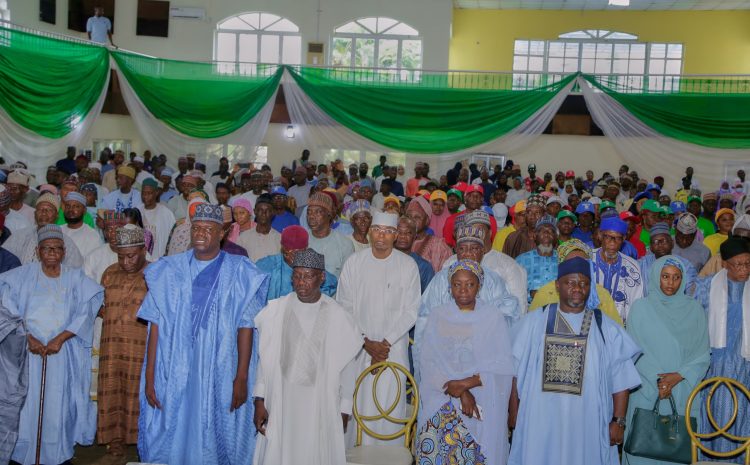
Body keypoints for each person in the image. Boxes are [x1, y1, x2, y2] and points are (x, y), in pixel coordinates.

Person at [137, 204, 269, 464]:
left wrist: (242, 377)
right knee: (174, 424)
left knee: (215, 427)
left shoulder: (239, 270)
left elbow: (246, 327)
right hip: (174, 365)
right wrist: (150, 375)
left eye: (209, 229)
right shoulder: (169, 270)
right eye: (196, 228)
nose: (200, 234)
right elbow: (155, 325)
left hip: (220, 366)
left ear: (222, 233)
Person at [508, 256, 641, 465]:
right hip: (539, 421)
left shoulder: (604, 326)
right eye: (570, 282)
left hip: (587, 422)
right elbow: (514, 370)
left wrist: (618, 421)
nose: (577, 288)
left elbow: (621, 378)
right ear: (557, 285)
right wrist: (513, 411)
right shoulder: (535, 321)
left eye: (583, 283)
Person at [1, 225, 103, 465]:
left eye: (57, 249)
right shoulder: (20, 276)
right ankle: (23, 455)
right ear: (38, 251)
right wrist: (28, 337)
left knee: (58, 405)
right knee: (27, 405)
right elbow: (6, 308)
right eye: (47, 249)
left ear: (63, 252)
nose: (52, 253)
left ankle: (56, 456)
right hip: (27, 353)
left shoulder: (75, 278)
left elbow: (87, 308)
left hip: (61, 354)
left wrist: (60, 338)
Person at [252, 248, 362, 465]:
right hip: (282, 402)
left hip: (321, 404)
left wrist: (344, 407)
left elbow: (349, 367)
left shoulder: (339, 316)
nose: (301, 282)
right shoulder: (276, 310)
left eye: (308, 276)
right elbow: (265, 359)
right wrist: (260, 399)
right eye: (297, 275)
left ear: (321, 277)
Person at [416, 259, 514, 465]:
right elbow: (428, 362)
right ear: (449, 287)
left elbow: (502, 365)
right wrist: (461, 392)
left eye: (470, 284)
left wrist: (464, 385)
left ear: (479, 286)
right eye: (457, 284)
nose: (463, 290)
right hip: (443, 396)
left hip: (482, 397)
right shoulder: (438, 316)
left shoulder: (493, 318)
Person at [336, 211, 421, 445]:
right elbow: (344, 306)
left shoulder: (407, 265)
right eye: (377, 230)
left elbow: (412, 310)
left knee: (388, 407)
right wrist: (366, 343)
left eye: (388, 231)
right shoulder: (354, 263)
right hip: (359, 348)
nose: (381, 236)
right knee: (358, 406)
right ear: (370, 232)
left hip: (393, 350)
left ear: (395, 236)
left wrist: (384, 344)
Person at [624, 256, 710, 465]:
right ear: (655, 277)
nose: (671, 283)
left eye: (676, 277)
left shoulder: (695, 310)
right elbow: (635, 351)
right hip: (647, 390)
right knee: (642, 449)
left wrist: (678, 376)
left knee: (676, 452)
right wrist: (661, 381)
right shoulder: (640, 308)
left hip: (682, 390)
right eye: (665, 276)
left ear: (683, 280)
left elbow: (703, 354)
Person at [416, 225, 520, 379]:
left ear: (483, 251)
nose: (468, 254)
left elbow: (507, 317)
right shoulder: (440, 280)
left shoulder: (494, 281)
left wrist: (476, 329)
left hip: (483, 360)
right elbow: (425, 319)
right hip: (445, 358)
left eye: (474, 249)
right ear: (455, 251)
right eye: (462, 249)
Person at [96, 224, 150, 462]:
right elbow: (99, 303)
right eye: (121, 256)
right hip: (112, 346)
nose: (126, 262)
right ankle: (115, 441)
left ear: (143, 249)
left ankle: (142, 441)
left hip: (142, 348)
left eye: (131, 256)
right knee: (111, 391)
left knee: (138, 392)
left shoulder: (155, 273)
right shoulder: (109, 273)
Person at [701, 237, 750, 456]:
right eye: (738, 264)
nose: (745, 268)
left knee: (742, 415)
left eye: (748, 263)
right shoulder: (706, 287)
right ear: (725, 264)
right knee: (715, 414)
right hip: (715, 364)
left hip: (745, 365)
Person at [529, 239, 622, 325]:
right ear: (561, 265)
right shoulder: (545, 293)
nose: (577, 268)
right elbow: (531, 330)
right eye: (571, 263)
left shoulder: (601, 294)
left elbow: (616, 332)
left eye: (582, 263)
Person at [255, 225, 338, 300]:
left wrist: (310, 297)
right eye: (288, 252)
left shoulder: (310, 263)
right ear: (282, 247)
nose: (293, 256)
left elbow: (332, 283)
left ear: (305, 249)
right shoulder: (266, 265)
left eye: (297, 253)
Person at [3, 192, 84, 267]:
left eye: (49, 210)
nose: (44, 212)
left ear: (57, 216)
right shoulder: (20, 236)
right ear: (34, 214)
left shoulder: (66, 243)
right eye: (40, 209)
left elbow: (75, 272)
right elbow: (4, 260)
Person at [592, 216, 644, 322]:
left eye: (618, 238)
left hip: (620, 328)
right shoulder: (586, 259)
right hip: (589, 325)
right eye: (608, 237)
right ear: (600, 236)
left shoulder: (632, 267)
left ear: (624, 239)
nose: (612, 242)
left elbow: (637, 303)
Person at [306, 192, 354, 278]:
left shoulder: (345, 244)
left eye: (318, 212)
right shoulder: (301, 241)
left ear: (329, 214)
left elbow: (347, 280)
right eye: (309, 212)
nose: (311, 216)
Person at [516, 215, 559, 303]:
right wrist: (530, 294)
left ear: (556, 237)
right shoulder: (521, 260)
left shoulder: (564, 260)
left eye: (551, 231)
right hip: (529, 310)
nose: (546, 233)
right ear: (535, 236)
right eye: (541, 230)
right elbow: (513, 288)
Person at [407, 195, 452, 272]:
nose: (411, 220)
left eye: (417, 217)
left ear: (427, 221)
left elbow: (444, 276)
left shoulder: (438, 245)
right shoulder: (399, 241)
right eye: (408, 216)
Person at [394, 216, 435, 293]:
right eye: (399, 232)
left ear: (415, 236)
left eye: (408, 233)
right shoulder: (385, 260)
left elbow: (428, 298)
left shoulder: (424, 267)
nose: (403, 236)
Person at [237, 194, 281, 262]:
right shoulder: (243, 238)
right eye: (260, 210)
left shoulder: (279, 239)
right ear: (255, 211)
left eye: (267, 210)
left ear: (273, 213)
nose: (264, 213)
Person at [139, 177, 175, 259]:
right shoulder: (137, 211)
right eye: (143, 193)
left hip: (160, 259)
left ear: (156, 193)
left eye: (149, 193)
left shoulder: (167, 214)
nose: (145, 196)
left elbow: (172, 238)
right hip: (141, 260)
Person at [61, 191, 103, 257]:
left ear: (84, 211)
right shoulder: (58, 231)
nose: (71, 210)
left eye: (76, 206)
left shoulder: (92, 235)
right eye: (68, 206)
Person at [503, 194, 545, 258]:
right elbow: (505, 263)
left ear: (544, 215)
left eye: (537, 212)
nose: (532, 216)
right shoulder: (513, 238)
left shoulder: (550, 239)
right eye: (529, 212)